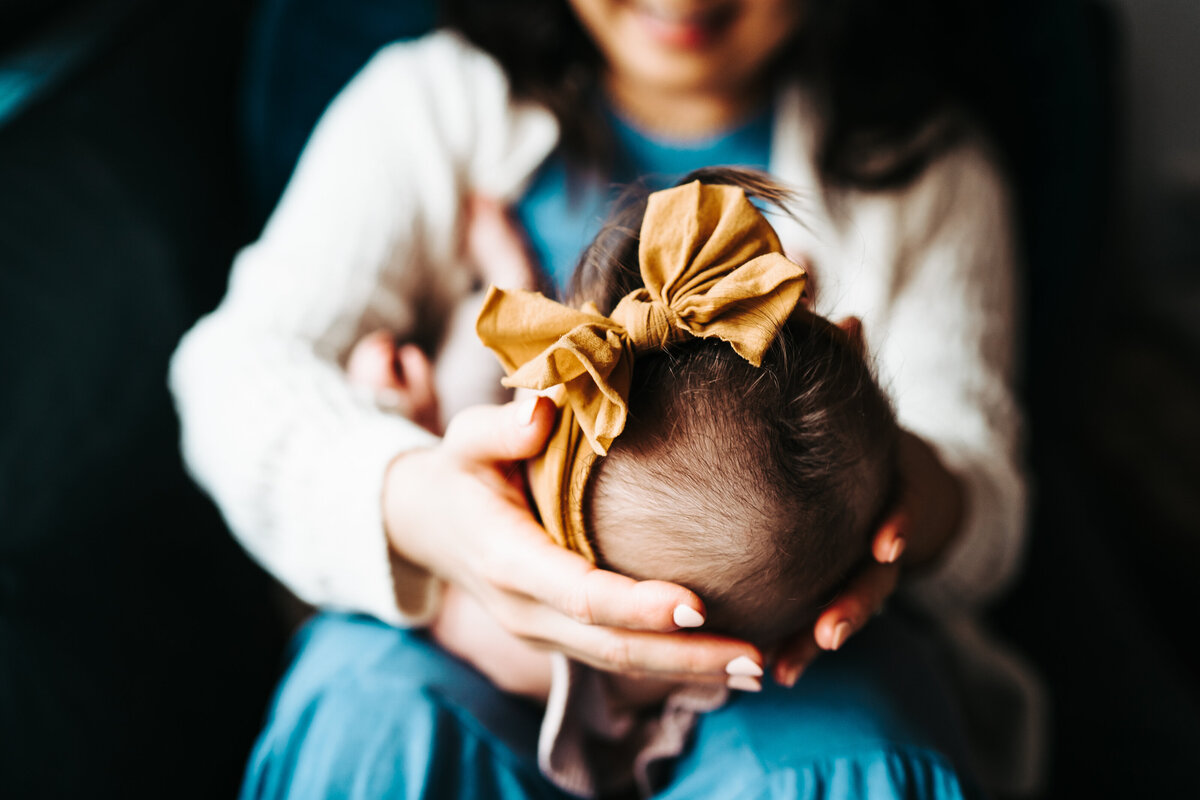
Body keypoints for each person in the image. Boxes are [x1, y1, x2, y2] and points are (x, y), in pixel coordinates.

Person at [170, 0, 1039, 795]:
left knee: (845, 764)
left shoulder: (923, 173)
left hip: (797, 663)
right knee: (376, 720)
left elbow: (983, 502)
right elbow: (240, 372)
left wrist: (903, 488)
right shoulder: (431, 106)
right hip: (458, 635)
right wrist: (416, 496)